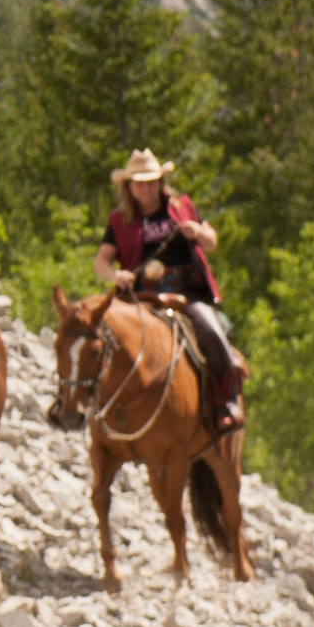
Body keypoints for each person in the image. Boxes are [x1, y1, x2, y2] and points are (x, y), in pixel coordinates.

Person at [101, 149, 246, 436]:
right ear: (129, 186)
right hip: (139, 297)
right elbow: (101, 260)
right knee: (101, 340)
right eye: (140, 183)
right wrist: (115, 275)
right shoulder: (120, 220)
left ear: (161, 181)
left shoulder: (183, 206)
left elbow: (212, 241)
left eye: (152, 181)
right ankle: (97, 407)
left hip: (184, 293)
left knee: (213, 336)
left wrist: (198, 232)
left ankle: (224, 404)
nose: (147, 188)